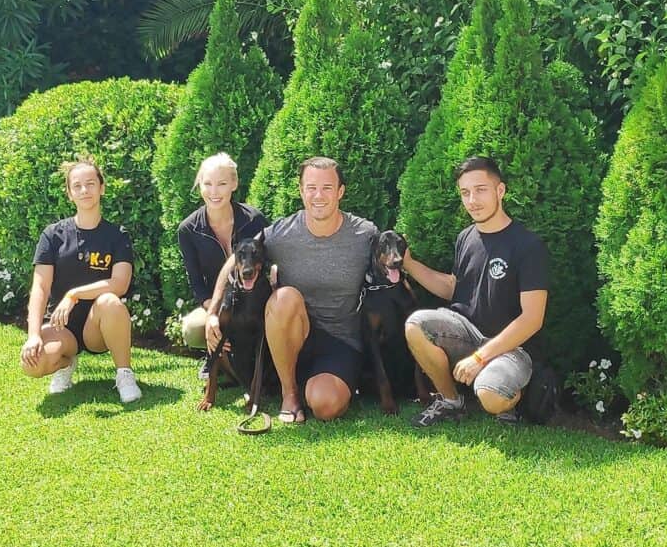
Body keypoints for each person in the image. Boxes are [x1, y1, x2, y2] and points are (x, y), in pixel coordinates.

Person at [206, 156, 376, 423]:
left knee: (325, 405)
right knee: (284, 296)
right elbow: (235, 259)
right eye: (311, 187)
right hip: (293, 336)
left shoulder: (363, 235)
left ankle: (315, 385)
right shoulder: (282, 234)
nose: (318, 195)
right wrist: (213, 313)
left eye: (327, 188)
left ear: (341, 192)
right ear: (301, 190)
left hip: (340, 341)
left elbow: (396, 265)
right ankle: (289, 394)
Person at [404, 155, 548, 427]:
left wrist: (481, 357)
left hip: (512, 348)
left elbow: (532, 319)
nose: (472, 200)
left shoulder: (528, 246)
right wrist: (409, 264)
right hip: (466, 334)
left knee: (491, 396)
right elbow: (455, 289)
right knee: (415, 324)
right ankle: (451, 402)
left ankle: (511, 397)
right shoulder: (466, 237)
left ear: (500, 191)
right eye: (465, 193)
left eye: (480, 190)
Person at [20, 158, 142, 403]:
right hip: (59, 325)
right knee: (32, 365)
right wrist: (33, 335)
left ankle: (124, 374)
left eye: (90, 183)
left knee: (109, 300)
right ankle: (66, 364)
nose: (84, 190)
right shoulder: (53, 235)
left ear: (102, 187)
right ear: (69, 193)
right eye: (77, 186)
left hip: (97, 327)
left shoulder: (117, 236)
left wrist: (73, 294)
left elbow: (120, 284)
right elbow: (40, 288)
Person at [178, 153, 268, 378]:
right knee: (192, 328)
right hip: (215, 303)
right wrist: (214, 315)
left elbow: (268, 262)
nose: (214, 191)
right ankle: (214, 356)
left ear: (234, 184)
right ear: (200, 185)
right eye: (207, 184)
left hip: (255, 301)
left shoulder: (254, 220)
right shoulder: (188, 230)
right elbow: (197, 284)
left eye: (222, 184)